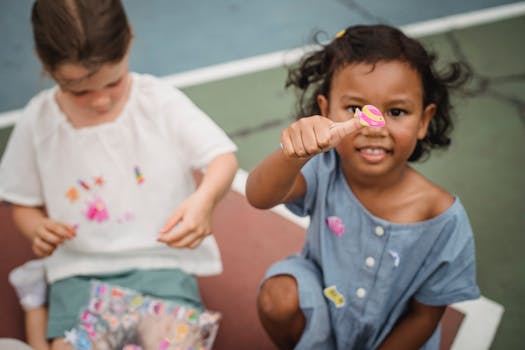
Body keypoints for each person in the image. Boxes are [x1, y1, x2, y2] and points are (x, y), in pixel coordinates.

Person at [0, 0, 238, 349]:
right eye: (78, 90)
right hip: (79, 273)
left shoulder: (157, 101)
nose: (100, 101)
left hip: (162, 266)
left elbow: (222, 158)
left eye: (113, 82)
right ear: (43, 62)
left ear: (128, 40)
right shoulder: (39, 120)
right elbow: (22, 204)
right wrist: (37, 229)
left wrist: (205, 200)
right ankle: (40, 295)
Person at [246, 24, 480, 350]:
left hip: (390, 336)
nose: (374, 126)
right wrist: (293, 153)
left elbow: (424, 317)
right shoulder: (323, 168)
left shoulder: (442, 217)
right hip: (322, 309)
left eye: (396, 111)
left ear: (424, 121)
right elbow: (258, 196)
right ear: (326, 111)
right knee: (278, 296)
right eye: (355, 109)